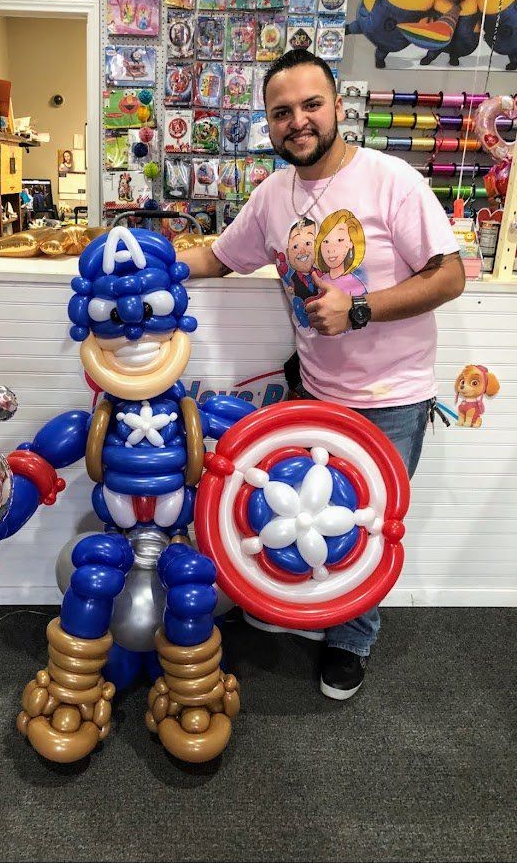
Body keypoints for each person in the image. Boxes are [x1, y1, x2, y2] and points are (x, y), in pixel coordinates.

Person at [178, 48, 465, 701]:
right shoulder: (273, 195)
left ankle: (351, 638)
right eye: (281, 112)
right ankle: (308, 612)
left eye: (311, 105)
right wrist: (145, 258)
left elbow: (448, 275)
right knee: (309, 514)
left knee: (368, 527)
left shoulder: (391, 181)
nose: (297, 122)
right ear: (269, 123)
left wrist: (358, 308)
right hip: (314, 394)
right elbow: (220, 258)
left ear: (337, 107)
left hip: (392, 397)